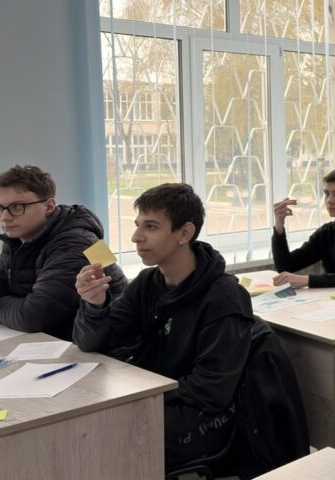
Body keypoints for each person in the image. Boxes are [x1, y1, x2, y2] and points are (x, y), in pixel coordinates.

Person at [73, 184, 256, 471]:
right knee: (81, 430)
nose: (136, 237)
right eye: (137, 225)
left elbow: (211, 391)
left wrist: (139, 395)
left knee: (99, 438)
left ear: (184, 233)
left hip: (202, 415)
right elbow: (94, 341)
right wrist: (94, 306)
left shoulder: (224, 297)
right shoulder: (148, 282)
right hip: (158, 398)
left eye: (151, 227)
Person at [0, 165, 125, 340]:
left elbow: (33, 317)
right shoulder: (17, 240)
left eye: (17, 207)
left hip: (109, 346)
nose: (5, 217)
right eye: (0, 208)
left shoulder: (77, 243)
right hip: (57, 342)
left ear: (49, 206)